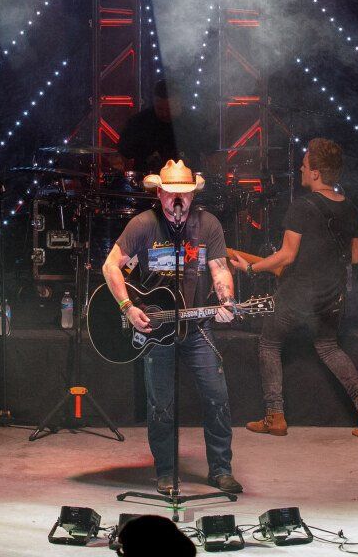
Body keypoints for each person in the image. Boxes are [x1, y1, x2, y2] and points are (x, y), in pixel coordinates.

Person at [101, 158, 243, 497]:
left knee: (217, 397)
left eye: (184, 194)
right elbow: (110, 265)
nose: (177, 201)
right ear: (159, 193)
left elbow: (220, 269)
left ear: (192, 195)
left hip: (196, 326)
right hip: (156, 328)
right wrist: (128, 307)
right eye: (170, 194)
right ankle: (165, 473)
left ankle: (221, 470)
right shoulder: (142, 225)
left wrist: (226, 302)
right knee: (161, 404)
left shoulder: (208, 224)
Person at [232, 139, 358, 438]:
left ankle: (275, 416)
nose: (300, 169)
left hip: (299, 295)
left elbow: (286, 256)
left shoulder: (301, 206)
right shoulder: (349, 207)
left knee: (269, 343)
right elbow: (355, 257)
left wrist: (250, 267)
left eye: (304, 165)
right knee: (327, 346)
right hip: (333, 296)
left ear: (315, 173)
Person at [114, 79, 179, 179]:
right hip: (146, 185)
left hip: (185, 184)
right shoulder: (139, 122)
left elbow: (209, 154)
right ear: (154, 101)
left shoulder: (190, 124)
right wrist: (118, 162)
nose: (164, 113)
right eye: (160, 109)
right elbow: (122, 154)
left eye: (169, 109)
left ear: (179, 103)